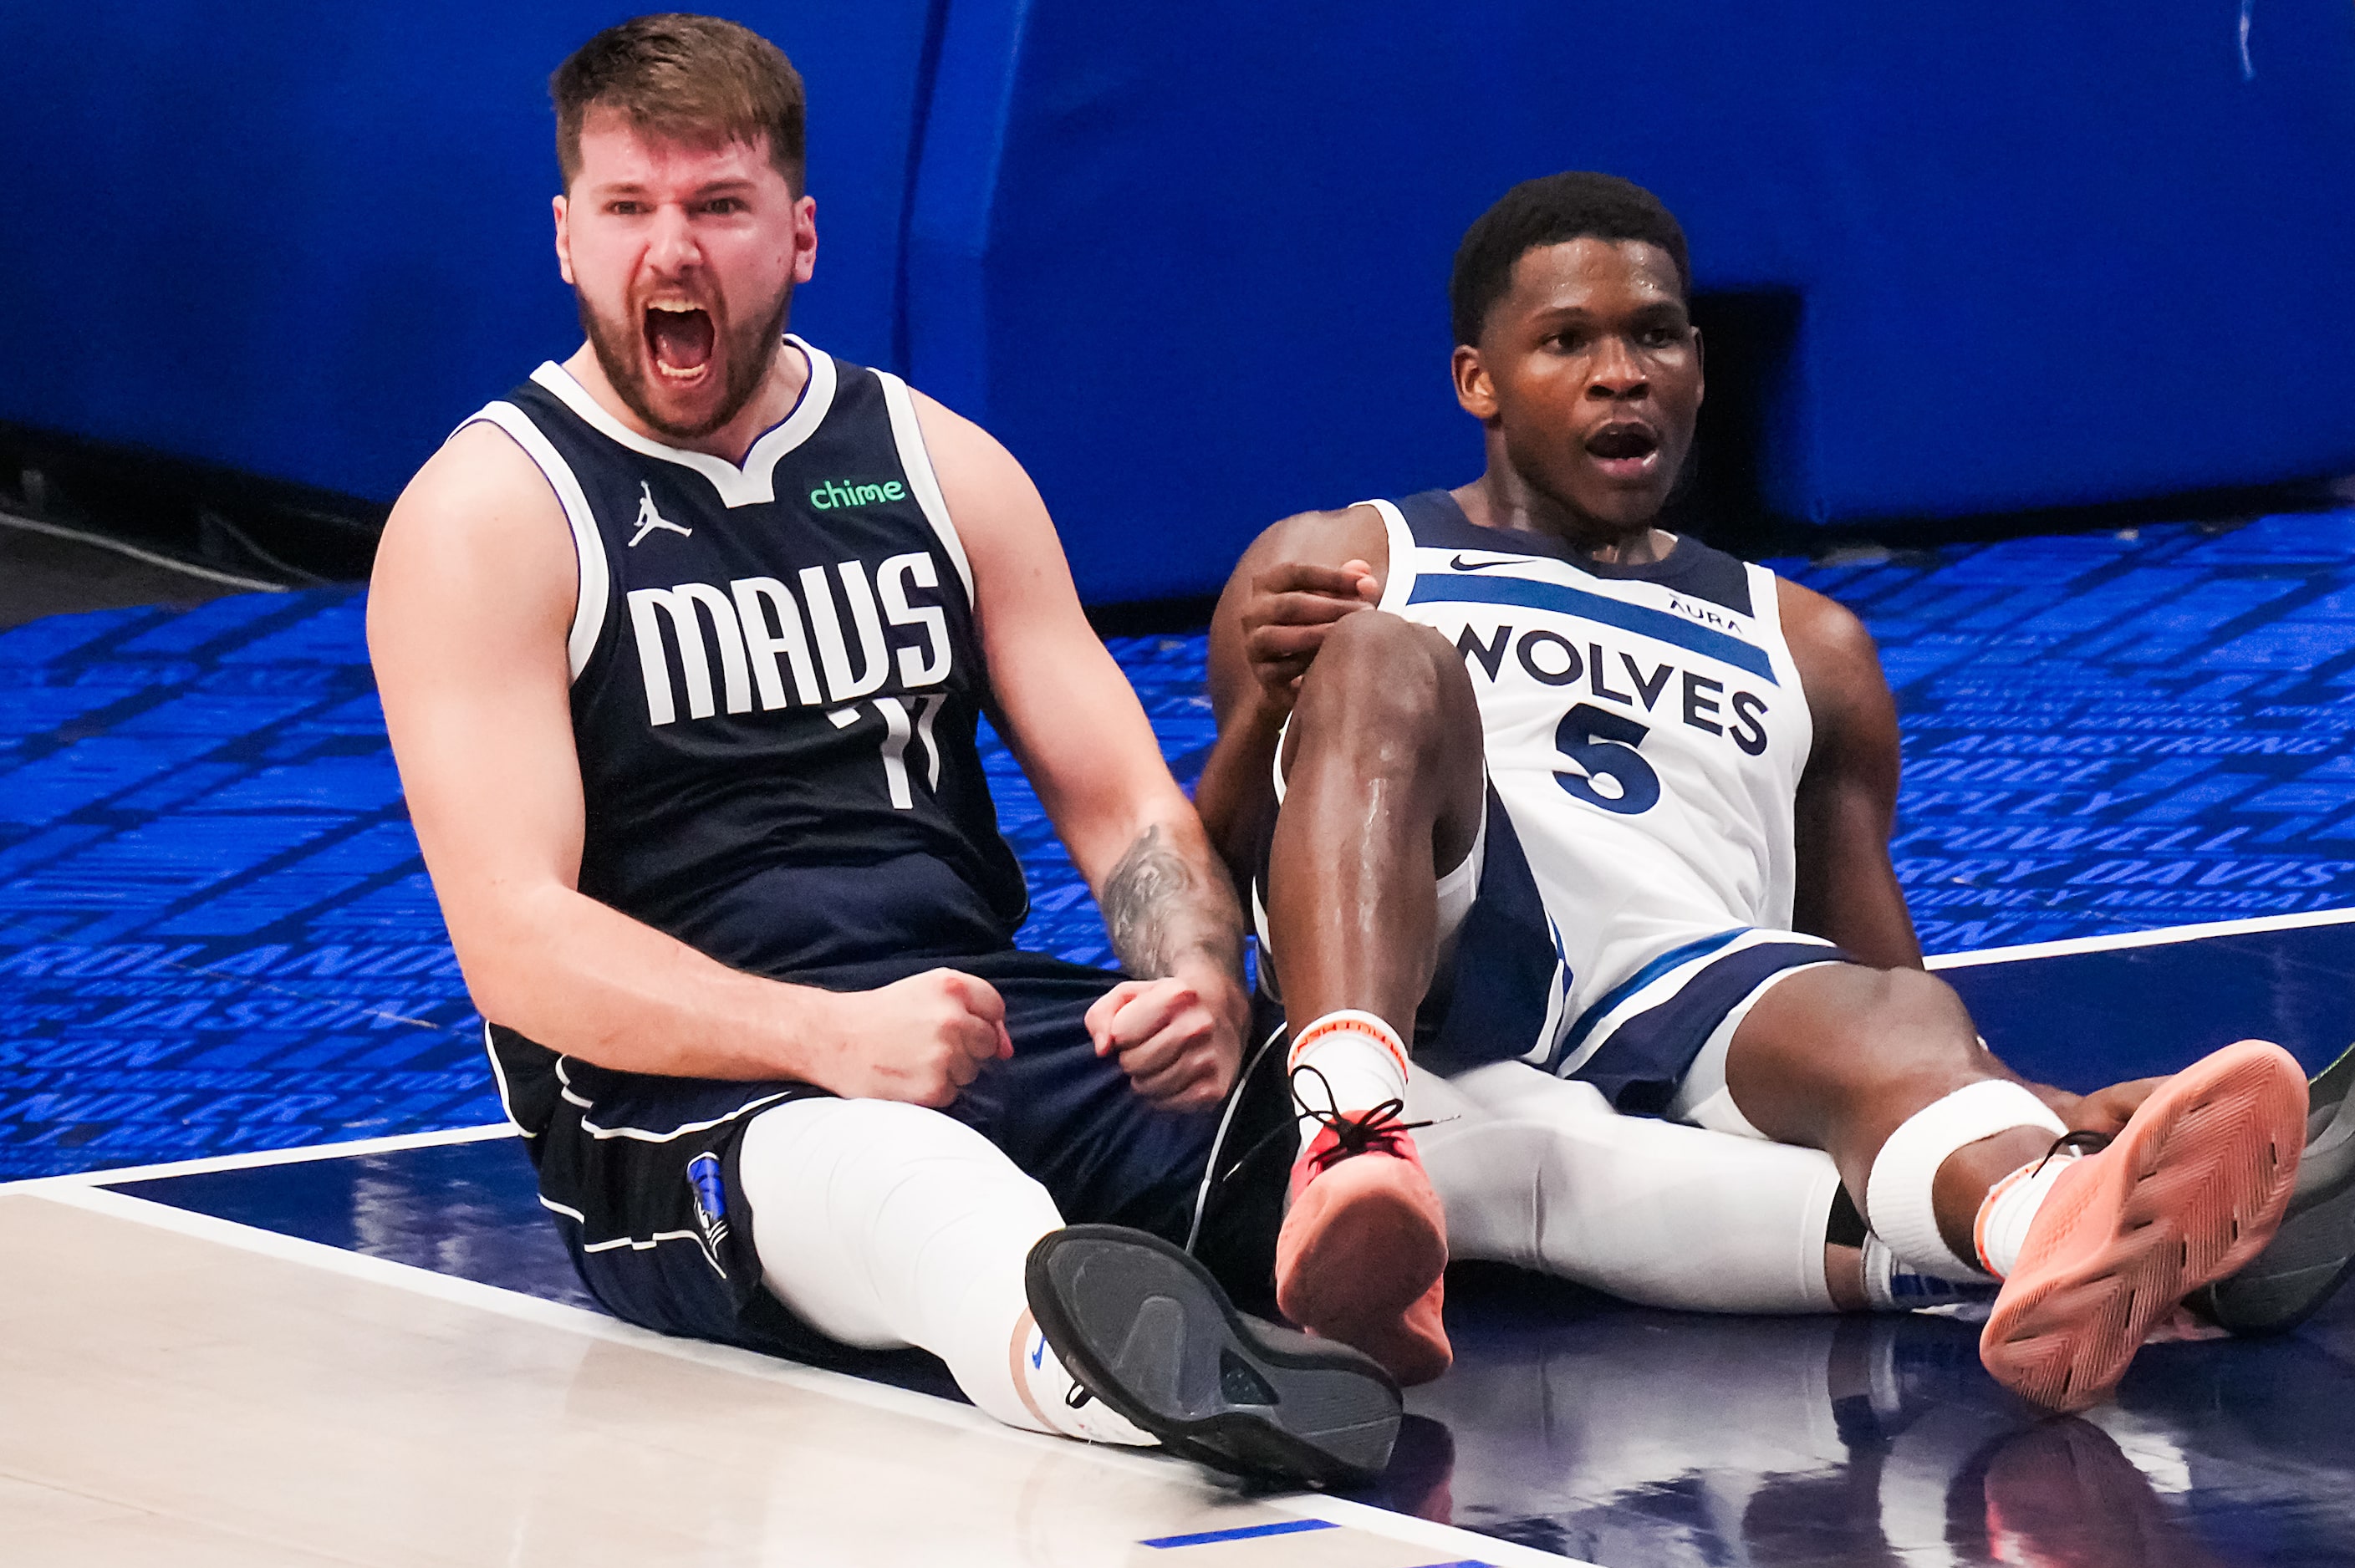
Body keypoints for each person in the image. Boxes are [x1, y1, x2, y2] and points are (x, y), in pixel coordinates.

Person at [366, 13, 1408, 1485]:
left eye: (717, 208)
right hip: (686, 1098)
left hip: (966, 1016)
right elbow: (515, 945)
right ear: (564, 238)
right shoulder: (487, 515)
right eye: (629, 209)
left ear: (797, 235)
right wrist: (822, 1038)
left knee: (1427, 1128)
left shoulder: (937, 463)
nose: (672, 252)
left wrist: (1188, 975)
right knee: (920, 1187)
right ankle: (1137, 1380)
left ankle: (1848, 1215)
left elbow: (1126, 808)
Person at [1194, 171, 2318, 1411]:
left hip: (1678, 984)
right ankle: (1352, 1136)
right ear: (1479, 382)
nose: (1621, 372)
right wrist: (1260, 706)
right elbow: (1223, 861)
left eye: (1656, 336)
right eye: (1567, 340)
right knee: (1383, 653)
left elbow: (1877, 963)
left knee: (1885, 1019)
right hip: (1449, 942)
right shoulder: (1344, 555)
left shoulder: (1811, 642)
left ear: (1698, 365)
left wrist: (2023, 1097)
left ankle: (2048, 1218)